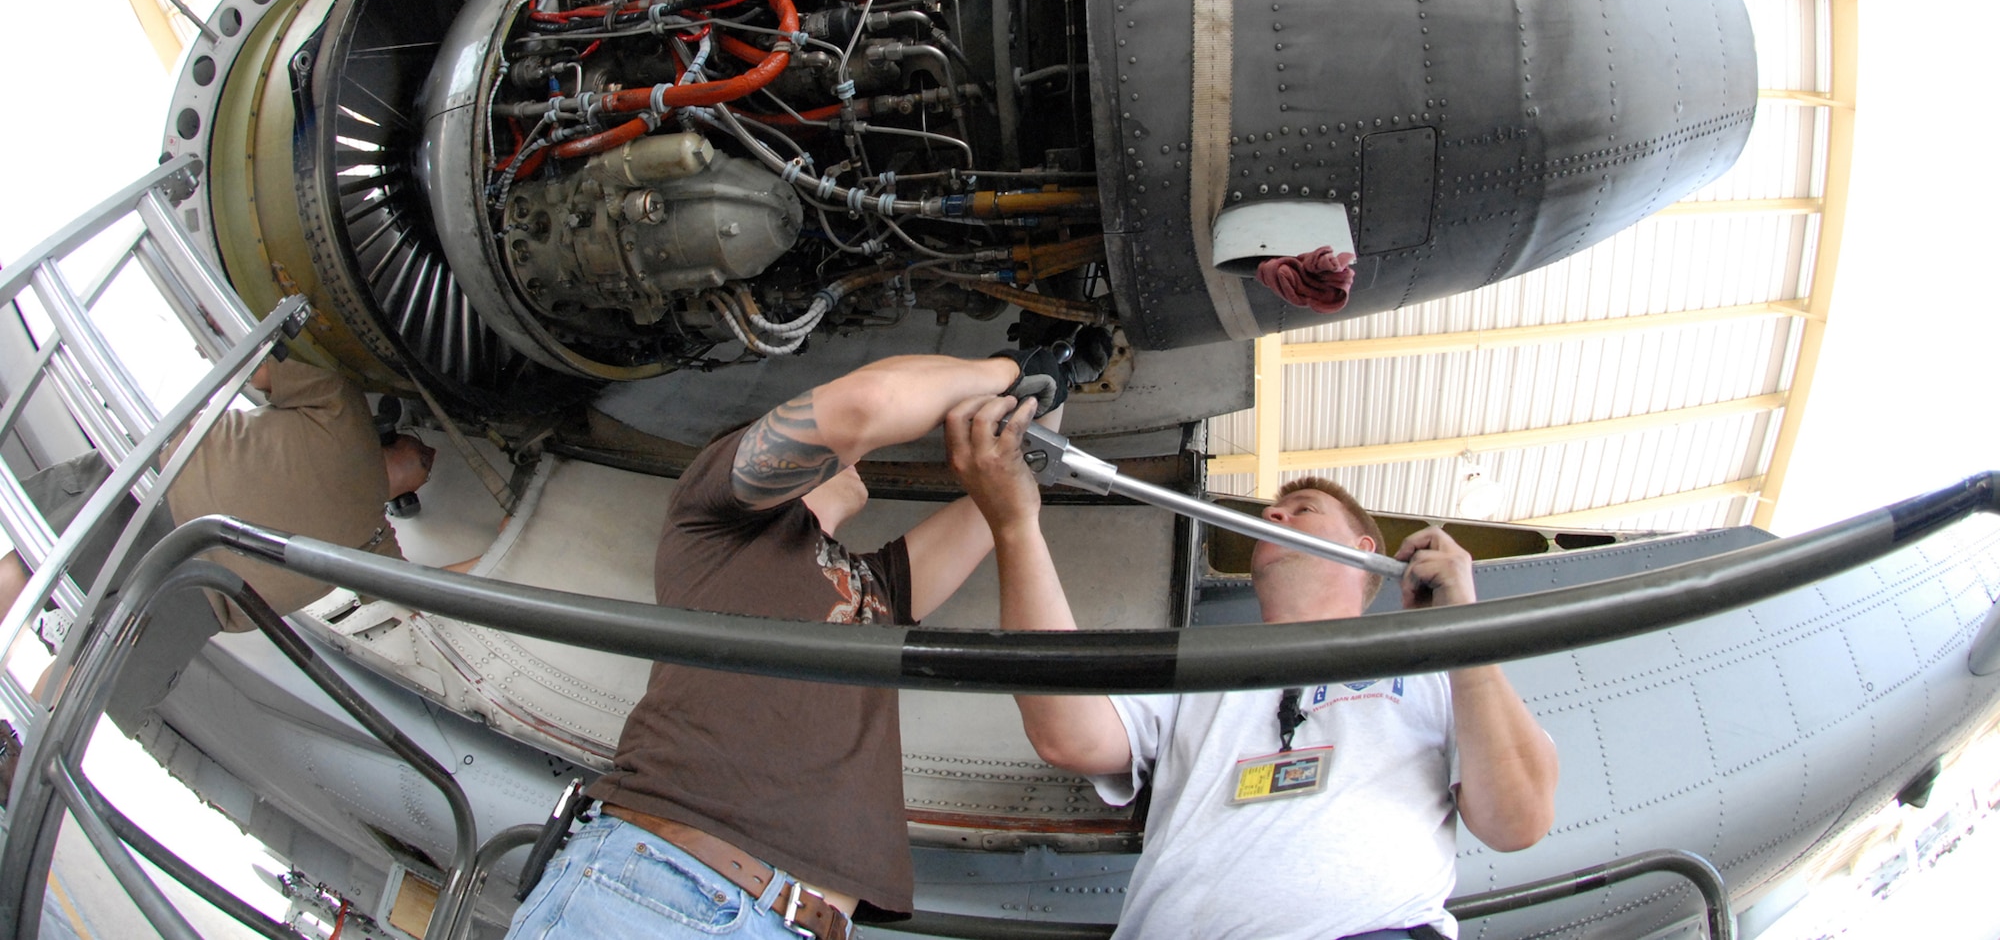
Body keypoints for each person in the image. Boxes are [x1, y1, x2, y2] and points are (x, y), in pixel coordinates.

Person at [944, 393, 1560, 940]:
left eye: (1303, 509)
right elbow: (1067, 732)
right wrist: (1016, 524)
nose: (1274, 514)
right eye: (1273, 510)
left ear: (1362, 549)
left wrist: (1461, 630)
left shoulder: (1436, 671)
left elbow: (1517, 820)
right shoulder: (1201, 673)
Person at [507, 348, 1075, 940]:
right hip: (664, 889)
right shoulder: (715, 516)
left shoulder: (874, 589)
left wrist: (1054, 386)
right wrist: (1008, 370)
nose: (857, 461)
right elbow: (864, 407)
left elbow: (1005, 497)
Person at [0, 356, 436, 633]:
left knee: (90, 672)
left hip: (193, 597)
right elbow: (263, 370)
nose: (431, 455)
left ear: (408, 498)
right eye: (422, 445)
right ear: (391, 438)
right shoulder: (345, 407)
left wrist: (506, 545)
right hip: (160, 492)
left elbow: (422, 591)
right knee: (32, 567)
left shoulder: (374, 541)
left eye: (427, 467)